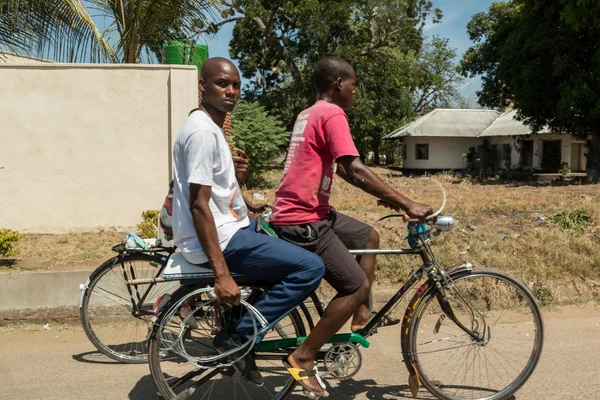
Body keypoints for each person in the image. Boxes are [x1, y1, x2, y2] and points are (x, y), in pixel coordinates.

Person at [271, 56, 435, 396]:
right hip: (304, 219)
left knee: (368, 235)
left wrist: (388, 195)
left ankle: (361, 316)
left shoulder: (309, 112)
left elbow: (343, 170)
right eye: (354, 85)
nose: (355, 92)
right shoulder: (332, 113)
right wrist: (407, 202)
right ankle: (303, 357)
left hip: (308, 210)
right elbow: (355, 168)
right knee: (356, 284)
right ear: (338, 85)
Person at [171, 57, 325, 387]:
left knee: (287, 255)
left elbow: (215, 195)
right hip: (220, 240)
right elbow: (199, 206)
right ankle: (239, 337)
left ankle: (238, 327)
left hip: (231, 229)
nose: (231, 91)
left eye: (236, 85)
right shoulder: (201, 132)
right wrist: (222, 274)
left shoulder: (211, 127)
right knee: (310, 268)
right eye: (221, 83)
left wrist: (238, 182)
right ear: (202, 87)